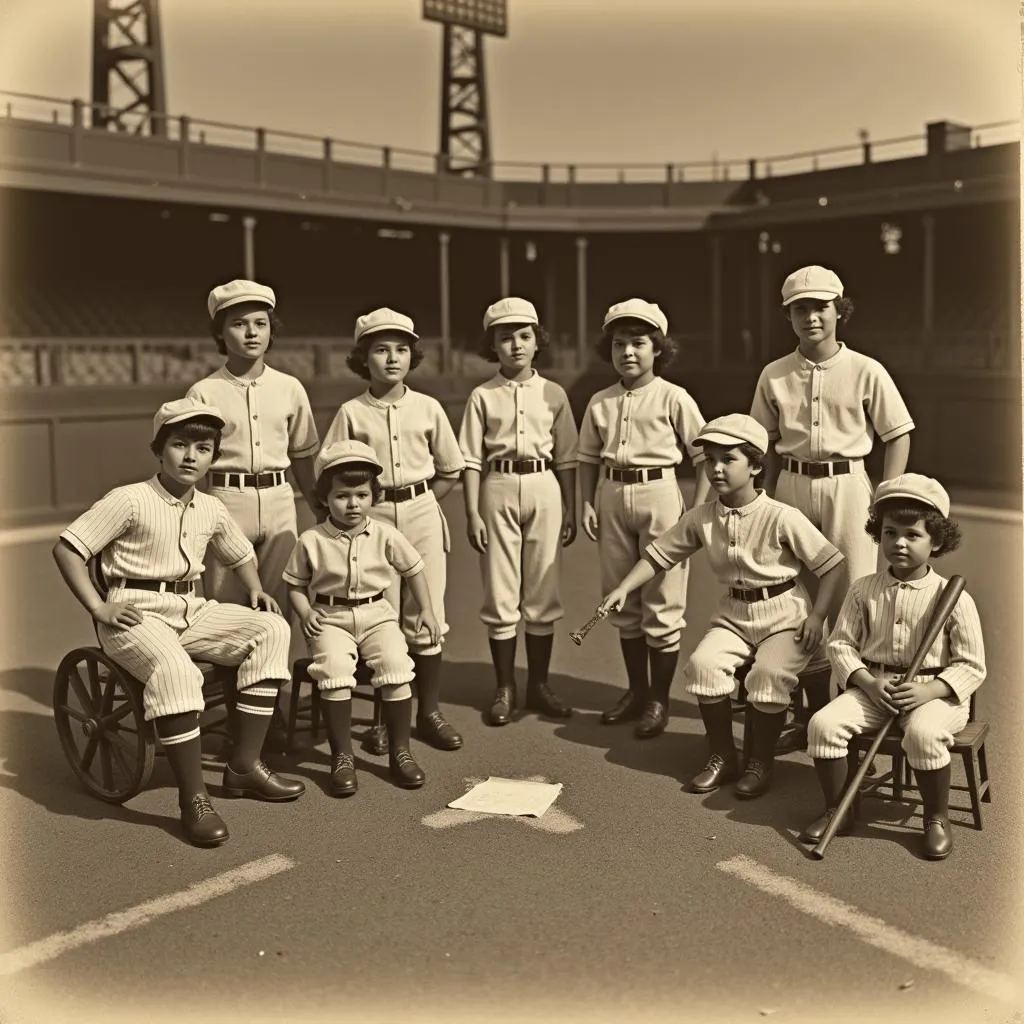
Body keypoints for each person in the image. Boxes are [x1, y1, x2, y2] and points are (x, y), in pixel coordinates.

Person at [52, 398, 305, 847]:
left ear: (213, 456)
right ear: (159, 449)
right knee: (176, 672)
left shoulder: (209, 507)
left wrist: (255, 589)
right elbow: (69, 549)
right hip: (133, 612)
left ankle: (244, 767)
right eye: (180, 445)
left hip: (192, 608)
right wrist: (98, 606)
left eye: (203, 448)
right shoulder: (129, 499)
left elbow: (240, 552)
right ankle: (195, 799)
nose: (191, 456)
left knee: (270, 629)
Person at [598, 414, 843, 796]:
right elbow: (658, 554)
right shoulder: (702, 516)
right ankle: (724, 756)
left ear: (756, 465)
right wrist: (623, 589)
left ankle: (760, 764)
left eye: (728, 459)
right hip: (734, 616)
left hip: (785, 616)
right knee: (704, 665)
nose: (715, 469)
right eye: (710, 460)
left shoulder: (782, 516)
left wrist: (817, 617)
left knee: (767, 677)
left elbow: (831, 565)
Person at [749, 265, 914, 749]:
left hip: (848, 485)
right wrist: (765, 501)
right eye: (800, 309)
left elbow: (897, 432)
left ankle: (848, 722)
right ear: (789, 316)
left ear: (838, 311)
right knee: (793, 599)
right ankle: (805, 715)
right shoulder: (774, 373)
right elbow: (762, 444)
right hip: (793, 486)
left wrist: (888, 493)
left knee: (853, 600)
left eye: (820, 307)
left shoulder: (866, 368)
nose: (811, 317)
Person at [803, 474, 985, 860]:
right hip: (874, 686)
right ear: (878, 534)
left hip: (935, 693)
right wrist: (867, 684)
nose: (898, 543)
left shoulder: (953, 598)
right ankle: (840, 808)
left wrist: (929, 691)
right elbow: (840, 645)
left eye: (912, 535)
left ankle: (935, 817)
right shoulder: (863, 588)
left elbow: (972, 666)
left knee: (922, 733)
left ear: (936, 540)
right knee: (823, 724)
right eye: (889, 533)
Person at [321, 308, 465, 753]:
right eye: (381, 350)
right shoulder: (351, 412)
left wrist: (420, 505)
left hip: (421, 509)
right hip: (372, 519)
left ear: (412, 356)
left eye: (401, 349)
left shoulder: (428, 407)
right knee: (380, 618)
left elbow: (451, 469)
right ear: (363, 358)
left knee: (427, 615)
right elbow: (328, 475)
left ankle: (429, 711)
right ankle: (384, 719)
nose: (392, 358)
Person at [578, 299, 710, 739]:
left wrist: (698, 508)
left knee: (664, 599)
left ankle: (658, 698)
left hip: (660, 493)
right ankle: (636, 691)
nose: (628, 352)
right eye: (619, 344)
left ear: (658, 349)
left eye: (639, 343)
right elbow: (586, 458)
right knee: (623, 597)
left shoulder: (674, 396)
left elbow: (705, 455)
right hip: (612, 493)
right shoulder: (600, 401)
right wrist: (587, 502)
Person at [283, 439, 441, 795]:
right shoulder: (311, 539)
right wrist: (305, 611)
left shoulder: (385, 533)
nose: (353, 504)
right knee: (335, 671)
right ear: (324, 497)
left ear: (373, 496)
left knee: (396, 664)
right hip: (329, 616)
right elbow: (295, 584)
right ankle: (343, 757)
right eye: (342, 496)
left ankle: (400, 752)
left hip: (377, 615)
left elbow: (414, 569)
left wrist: (428, 610)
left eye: (361, 495)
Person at [458, 297, 577, 726]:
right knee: (501, 590)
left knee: (543, 591)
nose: (516, 345)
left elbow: (567, 456)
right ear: (493, 345)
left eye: (524, 336)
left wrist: (570, 507)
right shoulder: (482, 395)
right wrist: (472, 513)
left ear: (537, 341)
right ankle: (505, 685)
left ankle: (539, 685)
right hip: (500, 485)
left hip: (545, 484)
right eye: (505, 338)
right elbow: (471, 458)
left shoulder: (555, 393)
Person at [187, 279, 320, 612]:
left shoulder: (290, 388)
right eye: (239, 324)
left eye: (260, 324)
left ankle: (273, 667)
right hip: (226, 501)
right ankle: (228, 667)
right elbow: (190, 464)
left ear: (270, 331)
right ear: (220, 333)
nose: (251, 333)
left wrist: (320, 508)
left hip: (279, 500)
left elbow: (303, 456)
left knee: (281, 603)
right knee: (226, 606)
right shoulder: (203, 392)